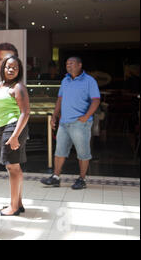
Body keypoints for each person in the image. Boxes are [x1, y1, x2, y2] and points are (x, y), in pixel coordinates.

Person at [41, 57, 100, 190]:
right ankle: (56, 177)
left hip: (80, 123)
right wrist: (54, 116)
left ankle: (82, 179)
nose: (68, 66)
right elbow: (60, 100)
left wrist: (86, 116)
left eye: (71, 63)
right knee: (59, 151)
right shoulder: (65, 80)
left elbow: (96, 100)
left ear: (80, 65)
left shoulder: (89, 81)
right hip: (64, 123)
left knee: (83, 153)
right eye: (67, 64)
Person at [0, 55, 30, 216]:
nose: (11, 70)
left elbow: (25, 113)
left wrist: (14, 136)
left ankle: (13, 207)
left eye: (15, 67)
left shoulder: (18, 87)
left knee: (12, 167)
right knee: (15, 167)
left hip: (13, 128)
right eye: (8, 66)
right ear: (2, 68)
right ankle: (18, 203)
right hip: (5, 129)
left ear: (19, 70)